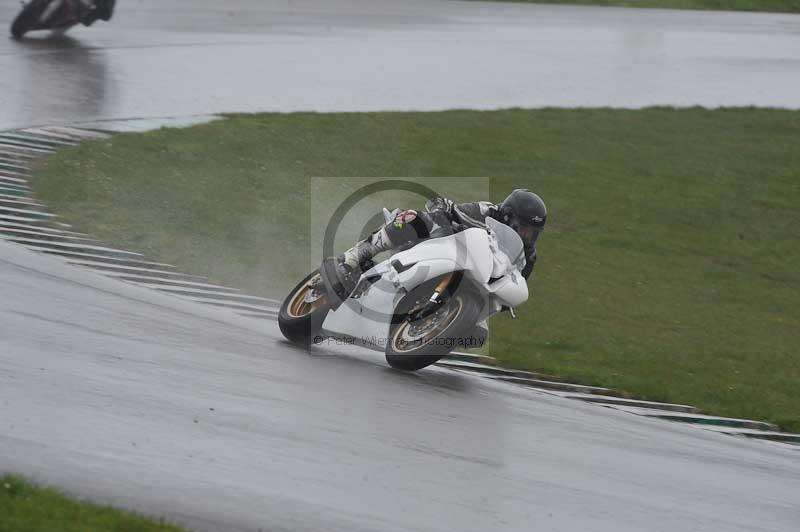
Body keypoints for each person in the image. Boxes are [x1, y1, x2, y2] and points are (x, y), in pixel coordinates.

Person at [321, 189, 547, 301]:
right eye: (523, 228)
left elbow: (516, 281)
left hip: (472, 277)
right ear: (507, 216)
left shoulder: (527, 257)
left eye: (532, 233)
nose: (527, 236)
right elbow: (449, 207)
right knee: (415, 219)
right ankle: (352, 259)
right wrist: (443, 212)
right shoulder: (486, 211)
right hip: (438, 247)